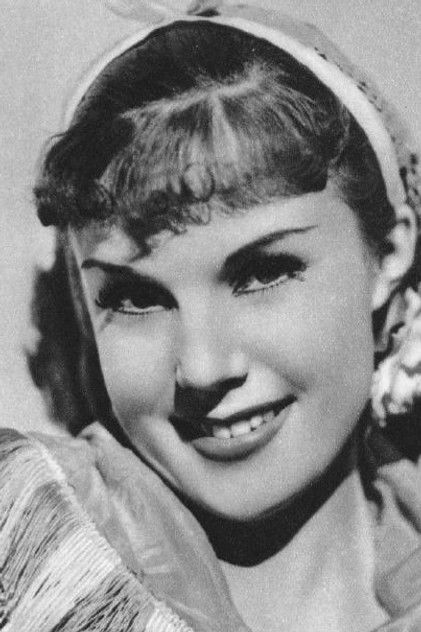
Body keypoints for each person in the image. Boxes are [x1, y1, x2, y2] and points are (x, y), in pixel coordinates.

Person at [1, 2, 421, 631]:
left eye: (263, 272)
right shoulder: (24, 559)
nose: (201, 368)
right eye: (134, 298)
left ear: (387, 254)